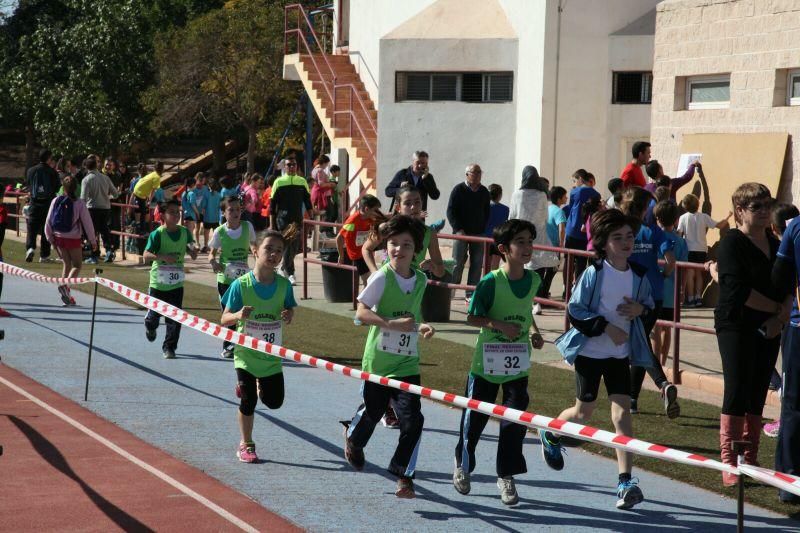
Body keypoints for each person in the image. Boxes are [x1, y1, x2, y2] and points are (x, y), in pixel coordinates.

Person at [546, 208, 654, 510]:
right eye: (617, 237)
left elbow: (650, 308)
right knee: (583, 413)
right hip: (590, 354)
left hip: (619, 356)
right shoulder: (594, 272)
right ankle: (551, 431)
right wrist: (606, 327)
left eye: (630, 237)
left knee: (622, 415)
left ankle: (625, 481)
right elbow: (576, 310)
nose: (625, 242)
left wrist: (641, 312)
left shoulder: (640, 275)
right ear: (604, 242)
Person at [452, 219, 545, 506]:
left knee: (514, 422)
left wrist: (534, 332)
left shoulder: (534, 280)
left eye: (530, 241)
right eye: (521, 242)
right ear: (504, 249)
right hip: (486, 365)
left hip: (517, 365)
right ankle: (463, 465)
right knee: (474, 421)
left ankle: (506, 475)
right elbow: (471, 317)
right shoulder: (490, 282)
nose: (528, 247)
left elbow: (525, 312)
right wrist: (499, 325)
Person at [342, 215, 435, 499]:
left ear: (415, 250)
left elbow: (413, 316)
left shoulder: (421, 279)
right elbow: (361, 312)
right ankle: (354, 441)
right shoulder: (381, 276)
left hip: (407, 361)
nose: (398, 249)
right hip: (379, 361)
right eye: (393, 243)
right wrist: (391, 324)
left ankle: (404, 475)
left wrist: (423, 326)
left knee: (413, 420)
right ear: (386, 246)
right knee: (374, 412)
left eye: (406, 244)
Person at [707, 183, 784, 486]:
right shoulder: (731, 243)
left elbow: (792, 281)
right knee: (737, 387)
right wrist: (778, 309)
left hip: (770, 324)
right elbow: (737, 290)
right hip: (735, 323)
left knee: (758, 388)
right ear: (739, 211)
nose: (765, 211)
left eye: (767, 205)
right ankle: (730, 460)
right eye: (757, 207)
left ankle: (750, 457)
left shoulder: (777, 244)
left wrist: (779, 316)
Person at [220, 229, 297, 463]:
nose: (274, 254)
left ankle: (254, 386)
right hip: (245, 355)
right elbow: (224, 319)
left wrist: (288, 314)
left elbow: (289, 309)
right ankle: (247, 444)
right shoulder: (240, 286)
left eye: (279, 251)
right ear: (255, 250)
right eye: (269, 249)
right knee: (248, 401)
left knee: (275, 402)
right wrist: (238, 315)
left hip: (270, 356)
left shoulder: (284, 285)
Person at [620, 187, 680, 418]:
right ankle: (634, 398)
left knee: (639, 344)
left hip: (630, 294)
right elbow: (671, 261)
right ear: (645, 209)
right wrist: (664, 274)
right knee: (639, 342)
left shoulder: (622, 230)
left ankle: (660, 385)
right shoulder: (653, 231)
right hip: (653, 295)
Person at [761, 203, 800, 440]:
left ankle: (788, 463)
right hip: (787, 317)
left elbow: (778, 278)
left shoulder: (789, 237)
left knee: (792, 390)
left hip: (792, 321)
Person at [143, 199, 198, 359]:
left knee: (175, 318)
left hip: (176, 283)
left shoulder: (185, 232)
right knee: (154, 318)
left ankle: (169, 347)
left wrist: (192, 252)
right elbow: (146, 255)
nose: (176, 215)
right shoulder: (158, 234)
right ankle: (150, 325)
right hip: (158, 284)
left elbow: (189, 246)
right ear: (163, 215)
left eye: (178, 212)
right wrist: (163, 257)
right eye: (172, 212)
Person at [771, 206, 800, 503]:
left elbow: (778, 278)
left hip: (798, 325)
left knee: (793, 403)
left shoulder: (795, 229)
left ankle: (788, 480)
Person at [210, 196, 258, 358]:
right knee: (229, 314)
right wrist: (214, 263)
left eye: (238, 209)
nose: (236, 212)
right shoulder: (220, 232)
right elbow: (211, 254)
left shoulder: (247, 226)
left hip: (243, 279)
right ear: (224, 213)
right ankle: (227, 346)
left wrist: (257, 255)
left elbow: (253, 245)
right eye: (231, 210)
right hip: (225, 280)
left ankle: (241, 344)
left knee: (243, 314)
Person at [509, 165, 559, 315]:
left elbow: (512, 216)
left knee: (520, 268)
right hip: (539, 236)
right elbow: (545, 217)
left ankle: (522, 299)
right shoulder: (542, 195)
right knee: (539, 270)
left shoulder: (517, 194)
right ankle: (537, 301)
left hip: (520, 236)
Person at [44, 176, 97, 306]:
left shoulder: (56, 200)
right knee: (77, 265)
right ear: (76, 188)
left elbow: (48, 220)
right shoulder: (79, 203)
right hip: (73, 238)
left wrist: (50, 238)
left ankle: (66, 292)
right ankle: (65, 286)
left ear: (63, 187)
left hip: (58, 237)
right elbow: (87, 223)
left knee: (66, 264)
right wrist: (93, 240)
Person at [677, 193, 731, 307]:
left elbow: (679, 234)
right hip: (702, 250)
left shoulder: (683, 218)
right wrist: (728, 216)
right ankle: (698, 298)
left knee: (690, 274)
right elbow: (720, 225)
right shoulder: (704, 216)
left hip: (689, 249)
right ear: (697, 204)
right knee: (699, 273)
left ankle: (690, 299)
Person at [447, 163, 490, 303]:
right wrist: (458, 229)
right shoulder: (458, 189)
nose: (477, 175)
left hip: (478, 233)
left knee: (477, 263)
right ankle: (451, 290)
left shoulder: (484, 191)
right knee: (457, 262)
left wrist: (483, 227)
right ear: (467, 174)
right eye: (474, 172)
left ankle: (471, 292)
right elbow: (451, 211)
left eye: (479, 172)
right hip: (461, 232)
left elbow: (487, 211)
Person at [652, 201, 688, 366]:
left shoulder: (654, 237)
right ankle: (663, 363)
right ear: (675, 219)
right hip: (672, 291)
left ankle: (655, 364)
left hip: (655, 290)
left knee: (656, 329)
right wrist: (682, 289)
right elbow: (685, 269)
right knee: (667, 329)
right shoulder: (680, 242)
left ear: (657, 218)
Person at [270, 158, 312, 286]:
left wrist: (311, 219)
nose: (291, 167)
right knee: (289, 244)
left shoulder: (302, 181)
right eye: (289, 165)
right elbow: (272, 206)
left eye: (294, 164)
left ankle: (284, 268)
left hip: (297, 219)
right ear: (285, 167)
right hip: (282, 219)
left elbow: (308, 202)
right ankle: (289, 271)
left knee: (294, 246)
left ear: (297, 166)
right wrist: (272, 224)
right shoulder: (278, 182)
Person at [336, 194, 382, 287]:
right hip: (357, 254)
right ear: (366, 209)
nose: (378, 212)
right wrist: (341, 255)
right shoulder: (352, 221)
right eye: (375, 210)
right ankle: (365, 300)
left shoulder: (370, 217)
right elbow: (339, 238)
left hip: (367, 249)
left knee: (372, 277)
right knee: (368, 279)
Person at [564, 169, 600, 284]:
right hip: (586, 232)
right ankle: (578, 288)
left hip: (572, 230)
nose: (574, 184)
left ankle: (567, 288)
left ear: (580, 179)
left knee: (568, 261)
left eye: (575, 180)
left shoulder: (574, 192)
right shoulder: (596, 194)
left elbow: (570, 208)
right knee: (581, 262)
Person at [81, 156, 119, 264]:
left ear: (86, 167)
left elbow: (83, 198)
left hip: (92, 208)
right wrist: (107, 197)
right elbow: (116, 194)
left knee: (92, 232)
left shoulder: (86, 180)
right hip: (106, 208)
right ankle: (108, 251)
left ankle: (94, 255)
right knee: (104, 230)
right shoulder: (105, 178)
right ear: (97, 165)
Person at [25, 149, 61, 263]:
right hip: (48, 204)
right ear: (49, 158)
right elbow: (56, 188)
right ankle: (44, 255)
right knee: (47, 229)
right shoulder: (52, 172)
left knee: (32, 228)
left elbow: (29, 185)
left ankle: (30, 248)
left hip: (34, 203)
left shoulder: (31, 170)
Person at [547, 186, 568, 299]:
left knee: (545, 271)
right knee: (552, 271)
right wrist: (561, 245)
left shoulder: (547, 209)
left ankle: (542, 294)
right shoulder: (559, 211)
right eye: (565, 196)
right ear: (559, 199)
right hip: (554, 247)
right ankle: (543, 294)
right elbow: (561, 229)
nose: (567, 198)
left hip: (544, 245)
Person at [484, 184, 510, 270]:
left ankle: (485, 281)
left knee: (485, 264)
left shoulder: (484, 207)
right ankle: (493, 282)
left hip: (485, 239)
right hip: (497, 239)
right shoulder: (506, 209)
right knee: (495, 265)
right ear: (500, 195)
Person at [132, 161, 163, 226]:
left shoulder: (153, 174)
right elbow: (153, 190)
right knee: (143, 212)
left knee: (143, 211)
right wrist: (149, 201)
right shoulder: (157, 177)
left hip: (138, 190)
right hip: (140, 193)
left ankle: (141, 227)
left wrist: (148, 199)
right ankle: (141, 229)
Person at [311, 155, 337, 224]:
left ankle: (320, 230)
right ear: (324, 163)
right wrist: (331, 184)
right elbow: (321, 184)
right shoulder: (320, 170)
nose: (326, 166)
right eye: (327, 164)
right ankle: (324, 229)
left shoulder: (314, 169)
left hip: (315, 192)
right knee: (329, 212)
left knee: (319, 213)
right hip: (320, 194)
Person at [203, 178, 223, 249]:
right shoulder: (219, 195)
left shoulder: (206, 194)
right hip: (216, 218)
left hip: (207, 217)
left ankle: (206, 245)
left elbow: (203, 206)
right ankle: (216, 247)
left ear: (208, 185)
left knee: (206, 233)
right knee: (216, 234)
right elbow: (220, 206)